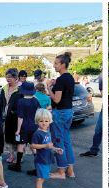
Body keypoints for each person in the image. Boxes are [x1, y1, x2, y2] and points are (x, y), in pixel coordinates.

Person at [47, 52, 76, 180]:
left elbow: (57, 99)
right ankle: (70, 170)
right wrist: (55, 84)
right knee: (66, 141)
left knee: (58, 142)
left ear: (63, 64)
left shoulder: (61, 79)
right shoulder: (70, 78)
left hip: (60, 112)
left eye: (56, 63)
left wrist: (49, 88)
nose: (54, 66)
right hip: (69, 111)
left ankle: (61, 172)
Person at [30, 108, 63, 188]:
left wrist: (56, 149)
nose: (44, 123)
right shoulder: (37, 133)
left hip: (47, 159)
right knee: (40, 179)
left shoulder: (47, 132)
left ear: (50, 121)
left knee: (44, 177)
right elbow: (32, 146)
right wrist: (45, 145)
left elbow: (49, 145)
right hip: (41, 160)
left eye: (46, 121)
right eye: (41, 121)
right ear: (37, 121)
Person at [11, 82, 41, 173]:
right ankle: (38, 168)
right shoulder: (35, 100)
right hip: (34, 127)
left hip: (24, 127)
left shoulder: (21, 101)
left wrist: (18, 130)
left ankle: (18, 165)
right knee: (34, 146)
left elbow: (20, 117)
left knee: (21, 145)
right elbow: (38, 113)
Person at [0, 68, 20, 164]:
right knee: (7, 137)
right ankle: (11, 155)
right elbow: (1, 102)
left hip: (17, 118)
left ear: (16, 78)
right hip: (6, 117)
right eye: (7, 77)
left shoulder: (21, 89)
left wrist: (15, 111)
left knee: (17, 138)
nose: (8, 79)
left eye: (10, 77)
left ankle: (19, 157)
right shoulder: (4, 88)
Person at [81, 74, 103, 157]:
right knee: (98, 129)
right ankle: (94, 149)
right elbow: (102, 92)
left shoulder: (102, 76)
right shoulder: (102, 76)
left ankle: (94, 149)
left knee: (100, 129)